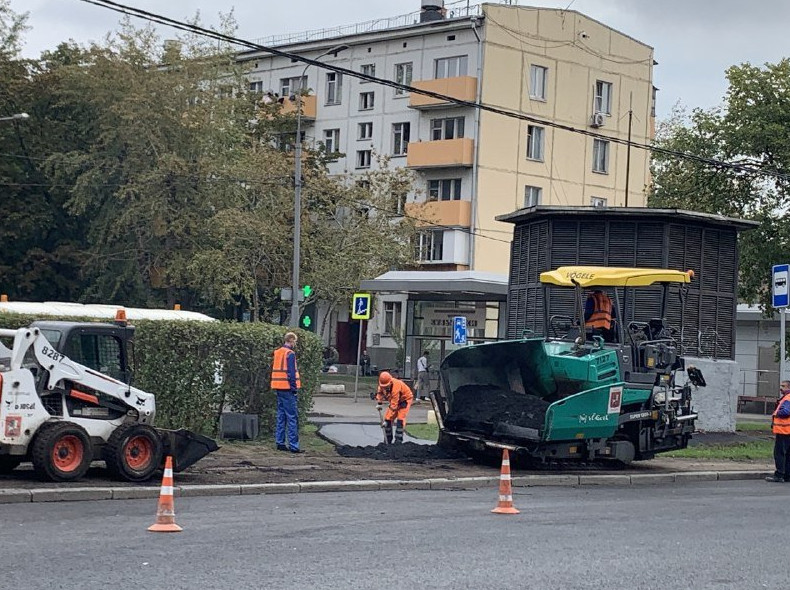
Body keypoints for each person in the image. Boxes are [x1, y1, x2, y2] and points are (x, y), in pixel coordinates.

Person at [271, 332, 303, 454]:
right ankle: (294, 446)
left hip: (278, 387)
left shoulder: (278, 352)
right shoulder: (290, 354)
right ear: (291, 340)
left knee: (281, 416)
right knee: (292, 417)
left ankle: (280, 442)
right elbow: (291, 373)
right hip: (288, 388)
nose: (295, 343)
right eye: (295, 341)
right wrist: (294, 388)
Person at [373, 371, 414, 444]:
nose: (385, 388)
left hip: (404, 400)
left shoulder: (396, 386)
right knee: (387, 419)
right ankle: (387, 440)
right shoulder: (382, 384)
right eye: (384, 386)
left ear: (390, 382)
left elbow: (394, 406)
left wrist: (387, 420)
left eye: (386, 386)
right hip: (394, 402)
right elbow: (380, 393)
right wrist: (379, 402)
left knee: (400, 419)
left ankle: (398, 440)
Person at [766, 380, 790, 482]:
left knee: (779, 453)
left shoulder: (787, 398)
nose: (781, 388)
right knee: (788, 454)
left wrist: (776, 413)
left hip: (783, 430)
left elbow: (786, 411)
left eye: (783, 386)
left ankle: (779, 475)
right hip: (787, 430)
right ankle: (787, 476)